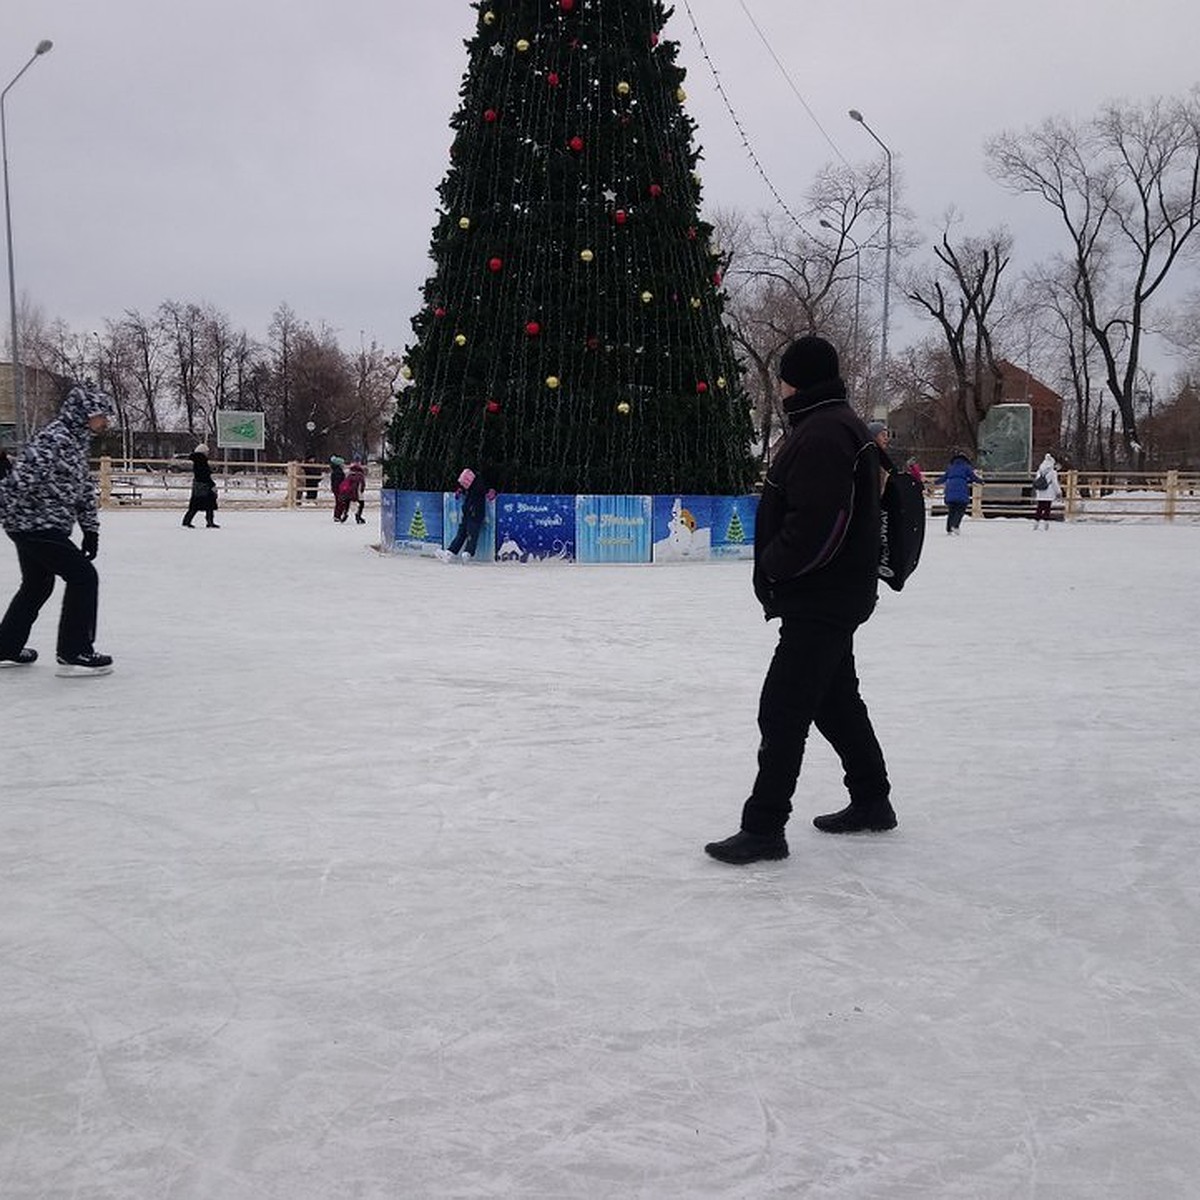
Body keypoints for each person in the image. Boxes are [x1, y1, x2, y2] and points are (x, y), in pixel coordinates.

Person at [705, 335, 895, 865]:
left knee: (783, 707)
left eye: (785, 376)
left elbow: (821, 524)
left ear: (799, 380)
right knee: (835, 701)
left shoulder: (824, 433)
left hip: (821, 596)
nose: (781, 385)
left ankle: (764, 826)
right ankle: (872, 799)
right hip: (834, 592)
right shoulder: (832, 424)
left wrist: (775, 565)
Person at [0, 381, 116, 676]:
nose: (105, 421)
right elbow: (19, 481)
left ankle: (5, 647)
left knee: (38, 584)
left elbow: (81, 488)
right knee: (83, 577)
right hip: (33, 524)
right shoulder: (55, 439)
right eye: (101, 415)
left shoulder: (75, 442)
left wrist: (91, 529)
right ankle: (73, 650)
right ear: (84, 413)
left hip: (40, 524)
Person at [440, 467, 495, 560]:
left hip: (475, 514)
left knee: (472, 533)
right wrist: (460, 490)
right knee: (461, 533)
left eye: (463, 483)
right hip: (468, 512)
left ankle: (468, 553)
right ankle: (450, 552)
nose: (463, 484)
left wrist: (491, 492)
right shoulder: (472, 487)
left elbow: (484, 493)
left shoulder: (478, 487)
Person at [938, 449, 983, 535]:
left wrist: (935, 482)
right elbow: (973, 477)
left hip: (950, 490)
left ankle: (949, 529)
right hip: (961, 490)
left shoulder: (951, 467)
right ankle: (955, 526)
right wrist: (980, 481)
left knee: (952, 510)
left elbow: (943, 478)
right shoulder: (966, 467)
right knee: (960, 509)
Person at [181, 443, 219, 528]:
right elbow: (204, 474)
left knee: (195, 505)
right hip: (204, 485)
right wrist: (212, 484)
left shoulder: (197, 461)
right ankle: (210, 521)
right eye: (207, 452)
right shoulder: (202, 461)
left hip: (198, 485)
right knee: (209, 504)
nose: (208, 453)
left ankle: (187, 521)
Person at [1031, 452, 1062, 529]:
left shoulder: (1039, 471)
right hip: (1049, 493)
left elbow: (1037, 480)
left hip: (1040, 492)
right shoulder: (1052, 472)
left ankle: (1036, 523)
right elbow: (1055, 483)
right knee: (1047, 508)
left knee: (1039, 508)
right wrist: (1058, 492)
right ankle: (1046, 523)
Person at [335, 459, 367, 523]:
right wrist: (361, 490)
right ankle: (358, 515)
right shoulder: (360, 475)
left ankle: (345, 514)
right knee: (361, 504)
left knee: (347, 503)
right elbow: (362, 485)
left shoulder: (349, 475)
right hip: (357, 492)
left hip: (348, 493)